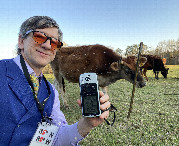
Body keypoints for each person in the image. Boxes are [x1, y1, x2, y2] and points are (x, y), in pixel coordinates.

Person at [0, 16, 110, 146]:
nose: (47, 45)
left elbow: (57, 138)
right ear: (21, 41)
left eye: (55, 43)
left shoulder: (51, 92)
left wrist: (86, 124)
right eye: (39, 37)